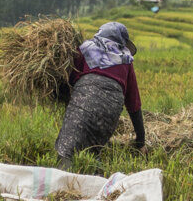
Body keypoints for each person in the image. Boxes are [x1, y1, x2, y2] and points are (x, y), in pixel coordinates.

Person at [54, 22, 146, 171]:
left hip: (85, 99)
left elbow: (69, 79)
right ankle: (99, 184)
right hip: (112, 109)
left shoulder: (85, 49)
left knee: (66, 149)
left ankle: (65, 187)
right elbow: (133, 103)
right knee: (92, 150)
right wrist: (140, 141)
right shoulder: (126, 59)